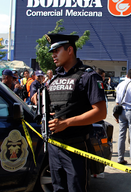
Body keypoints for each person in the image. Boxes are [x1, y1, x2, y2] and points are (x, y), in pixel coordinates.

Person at [44, 33, 107, 192]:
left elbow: (100, 113)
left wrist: (66, 123)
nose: (53, 55)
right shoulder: (54, 78)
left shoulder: (88, 76)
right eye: (52, 52)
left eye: (57, 50)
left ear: (70, 49)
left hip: (75, 146)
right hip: (54, 146)